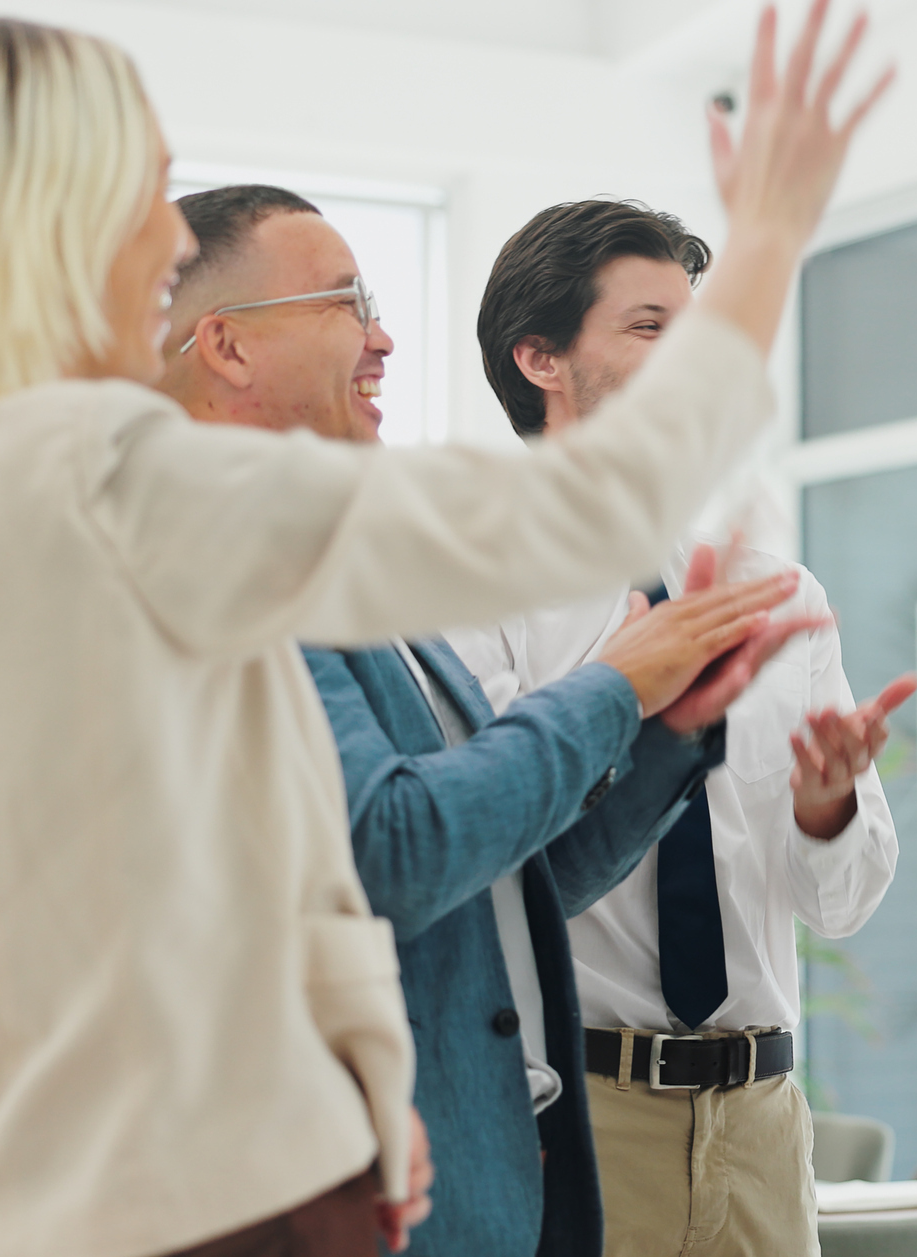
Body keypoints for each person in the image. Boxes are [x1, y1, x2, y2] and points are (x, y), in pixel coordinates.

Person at [0, 11, 884, 1257]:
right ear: (56, 217)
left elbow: (316, 900)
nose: (168, 235)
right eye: (144, 187)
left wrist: (336, 1069)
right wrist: (773, 232)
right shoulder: (102, 477)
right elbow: (591, 509)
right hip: (195, 1211)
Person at [157, 184, 822, 1257]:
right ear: (226, 347)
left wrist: (664, 736)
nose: (382, 339)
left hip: (492, 1170)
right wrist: (614, 689)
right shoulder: (215, 558)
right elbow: (399, 848)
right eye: (345, 303)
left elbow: (515, 882)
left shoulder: (339, 565)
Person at [457, 197, 913, 1257]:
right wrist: (628, 712)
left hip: (758, 1123)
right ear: (540, 358)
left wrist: (828, 809)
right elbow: (479, 861)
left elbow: (839, 906)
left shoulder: (775, 585)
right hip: (571, 1114)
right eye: (648, 326)